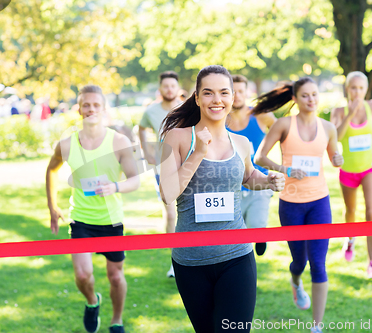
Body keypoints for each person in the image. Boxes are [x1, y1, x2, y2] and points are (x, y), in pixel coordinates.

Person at [159, 65, 285, 333]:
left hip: (236, 256)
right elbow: (168, 194)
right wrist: (197, 153)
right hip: (191, 262)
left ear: (232, 97)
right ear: (196, 97)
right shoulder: (178, 138)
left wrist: (268, 181)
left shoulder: (240, 143)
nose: (217, 100)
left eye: (223, 93)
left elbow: (248, 176)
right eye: (208, 93)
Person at [46, 85, 140, 333]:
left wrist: (116, 186)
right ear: (79, 109)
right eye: (86, 105)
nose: (91, 109)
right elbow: (51, 170)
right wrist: (52, 206)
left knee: (115, 277)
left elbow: (135, 179)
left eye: (96, 105)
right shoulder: (66, 145)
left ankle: (116, 320)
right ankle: (92, 301)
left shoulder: (119, 141)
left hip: (111, 220)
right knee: (83, 275)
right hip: (81, 219)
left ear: (104, 109)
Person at [254, 77, 343, 333]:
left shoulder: (328, 128)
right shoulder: (284, 125)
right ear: (295, 98)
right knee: (299, 262)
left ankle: (317, 327)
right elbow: (260, 156)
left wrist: (338, 158)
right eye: (305, 95)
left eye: (315, 94)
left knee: (318, 263)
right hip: (291, 203)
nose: (311, 99)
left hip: (319, 202)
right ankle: (295, 281)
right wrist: (286, 169)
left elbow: (335, 160)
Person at [330, 71, 372, 279]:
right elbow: (336, 137)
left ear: (366, 89)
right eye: (353, 88)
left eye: (361, 88)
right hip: (348, 171)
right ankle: (350, 239)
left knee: (371, 213)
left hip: (370, 168)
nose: (357, 92)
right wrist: (350, 113)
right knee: (350, 211)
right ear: (347, 89)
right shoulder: (338, 111)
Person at [226, 74, 277, 256]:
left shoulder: (261, 115)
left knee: (256, 224)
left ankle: (260, 234)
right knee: (236, 236)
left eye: (241, 91)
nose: (237, 95)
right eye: (233, 92)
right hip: (232, 184)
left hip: (259, 179)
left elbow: (281, 131)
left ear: (247, 92)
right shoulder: (220, 119)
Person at [138, 71, 181, 278]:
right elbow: (141, 128)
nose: (169, 90)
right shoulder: (152, 111)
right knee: (171, 213)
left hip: (187, 166)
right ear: (160, 88)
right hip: (162, 168)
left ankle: (194, 256)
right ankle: (175, 261)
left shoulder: (187, 108)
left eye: (173, 86)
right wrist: (146, 151)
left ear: (178, 88)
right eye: (166, 86)